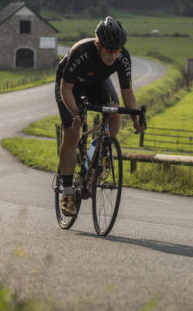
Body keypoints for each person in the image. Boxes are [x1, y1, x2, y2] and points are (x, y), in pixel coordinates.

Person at [54, 16, 146, 216]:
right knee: (73, 130)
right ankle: (68, 191)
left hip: (98, 82)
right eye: (109, 50)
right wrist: (76, 114)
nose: (114, 55)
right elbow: (65, 90)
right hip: (70, 86)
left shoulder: (122, 57)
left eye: (118, 50)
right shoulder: (81, 53)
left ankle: (99, 155)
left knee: (114, 114)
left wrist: (135, 119)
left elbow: (127, 92)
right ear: (98, 45)